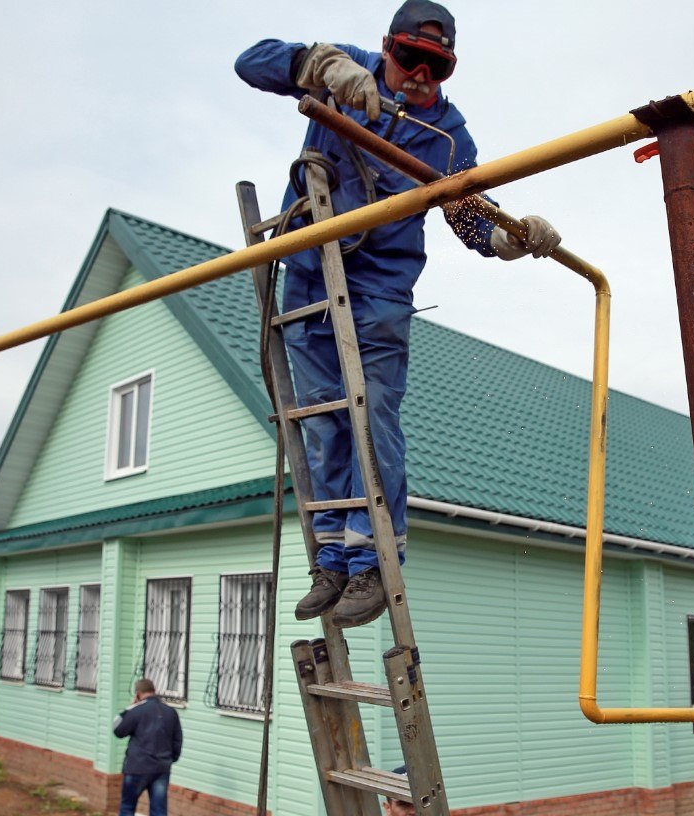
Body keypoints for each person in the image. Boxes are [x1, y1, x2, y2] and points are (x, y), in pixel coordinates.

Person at [235, 0, 561, 630]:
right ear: (386, 47)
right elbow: (250, 63)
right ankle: (332, 555)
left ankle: (374, 560)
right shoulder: (345, 73)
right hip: (308, 270)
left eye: (437, 67)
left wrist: (512, 237)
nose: (419, 75)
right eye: (409, 57)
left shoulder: (447, 136)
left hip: (379, 287)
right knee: (325, 419)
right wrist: (316, 66)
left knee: (370, 411)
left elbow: (468, 217)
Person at [112, 678, 183, 816]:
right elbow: (177, 740)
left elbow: (118, 730)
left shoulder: (136, 711)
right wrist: (170, 759)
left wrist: (129, 708)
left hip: (137, 767)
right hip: (161, 768)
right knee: (159, 810)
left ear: (138, 694)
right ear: (154, 691)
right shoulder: (170, 712)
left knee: (127, 807)